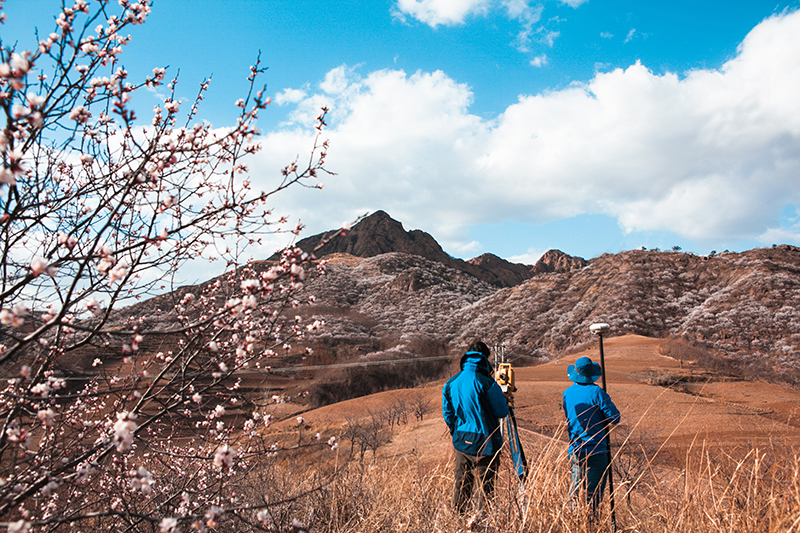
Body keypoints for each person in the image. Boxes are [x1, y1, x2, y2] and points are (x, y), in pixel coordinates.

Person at [442, 340, 509, 514]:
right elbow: (502, 411)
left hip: (462, 442)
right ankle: (481, 523)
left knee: (461, 485)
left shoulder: (451, 382)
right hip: (486, 444)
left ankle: (457, 519)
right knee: (484, 490)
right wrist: (504, 398)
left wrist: (455, 432)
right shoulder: (487, 383)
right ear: (485, 358)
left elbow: (448, 414)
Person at [562, 356, 621, 512]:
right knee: (592, 498)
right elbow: (615, 418)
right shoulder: (597, 392)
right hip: (597, 451)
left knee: (575, 494)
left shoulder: (567, 393)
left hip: (575, 449)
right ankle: (591, 525)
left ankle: (573, 522)